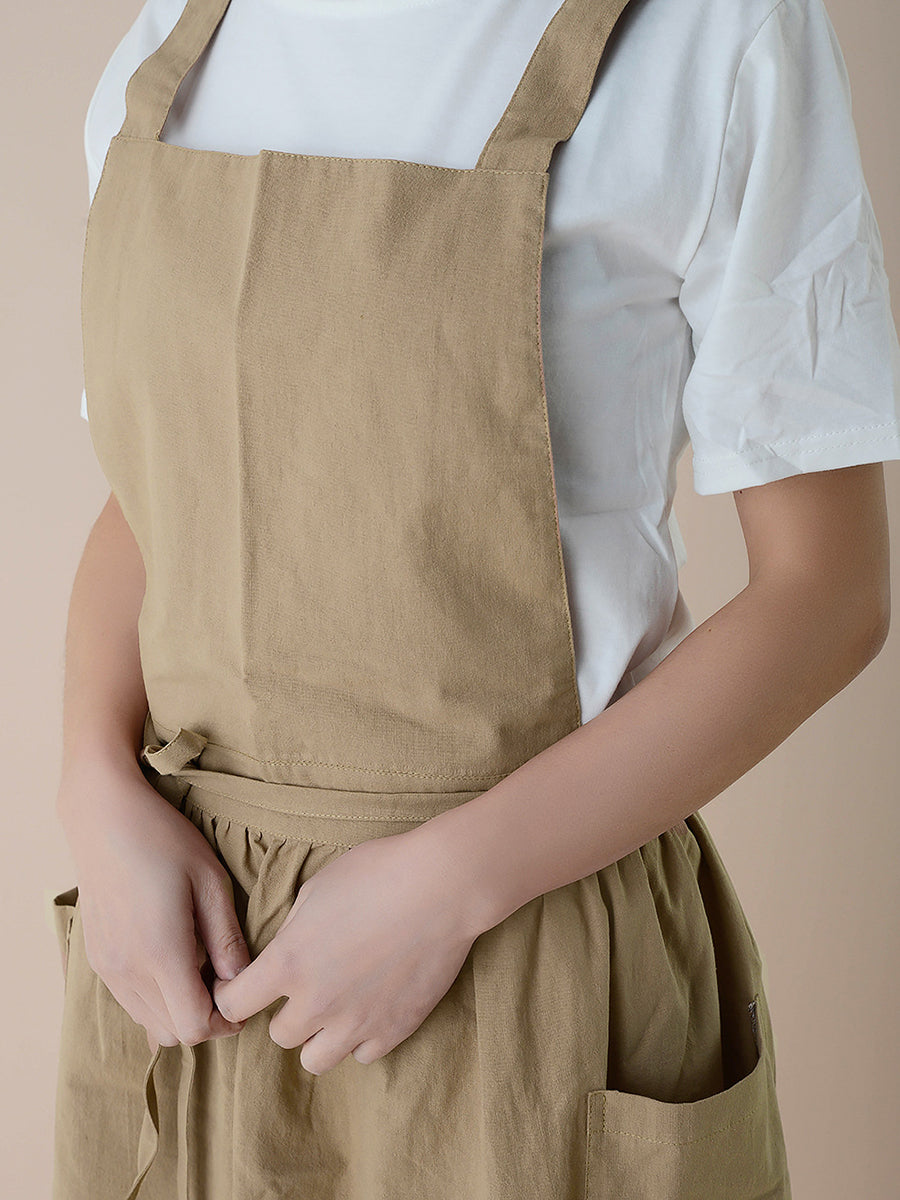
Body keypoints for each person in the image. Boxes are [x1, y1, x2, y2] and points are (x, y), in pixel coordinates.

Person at [49, 0, 899, 1197]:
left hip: (529, 960)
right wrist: (92, 786)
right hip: (192, 967)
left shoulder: (715, 35)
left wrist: (450, 887)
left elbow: (827, 593)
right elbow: (152, 501)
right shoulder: (171, 50)